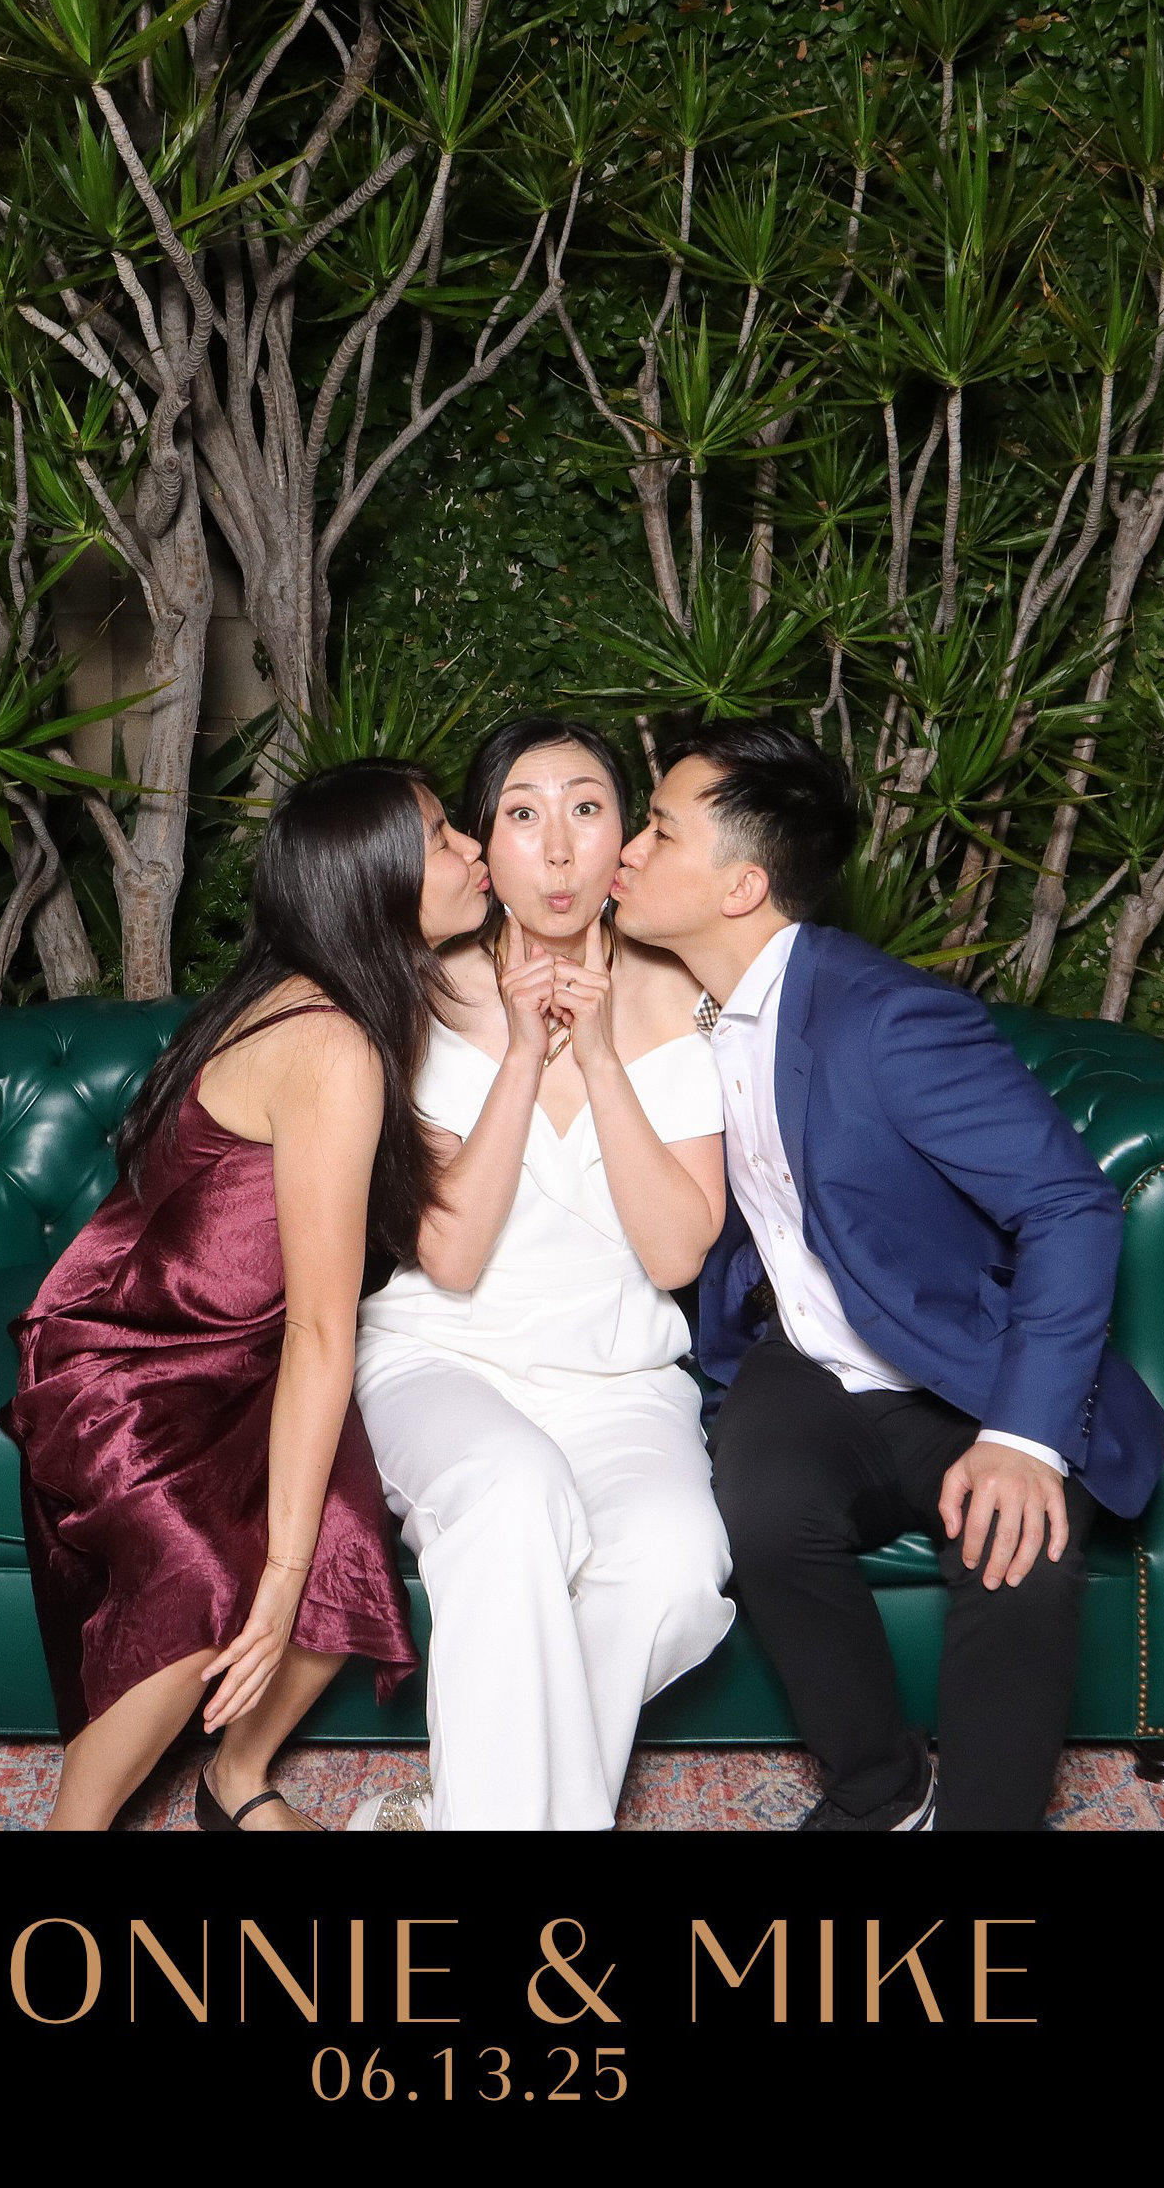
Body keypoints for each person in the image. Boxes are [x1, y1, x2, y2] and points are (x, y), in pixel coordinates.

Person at [610, 717, 1164, 1833]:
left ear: (742, 887)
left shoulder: (889, 1020)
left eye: (658, 831)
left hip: (959, 1367)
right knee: (760, 1513)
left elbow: (1069, 1205)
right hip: (807, 1361)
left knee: (1020, 1552)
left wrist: (1024, 1439)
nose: (628, 847)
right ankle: (879, 1794)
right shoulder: (697, 1006)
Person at [0, 760, 492, 1833]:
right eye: (442, 837)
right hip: (135, 1361)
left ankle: (236, 1780)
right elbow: (321, 1326)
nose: (473, 849)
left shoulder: (347, 999)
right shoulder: (329, 1037)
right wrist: (274, 1578)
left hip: (240, 1362)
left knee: (349, 1540)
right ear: (374, 879)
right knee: (211, 1578)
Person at [348, 718, 736, 1832]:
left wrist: (600, 1055)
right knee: (512, 1497)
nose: (558, 849)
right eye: (523, 814)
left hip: (618, 1378)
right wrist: (525, 1050)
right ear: (484, 842)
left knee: (673, 1568)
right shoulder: (421, 992)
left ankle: (454, 1815)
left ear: (625, 837)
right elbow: (452, 1252)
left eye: (586, 809)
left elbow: (676, 1253)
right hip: (442, 1357)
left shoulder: (684, 995)